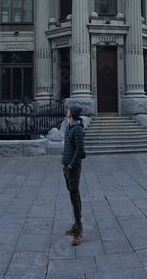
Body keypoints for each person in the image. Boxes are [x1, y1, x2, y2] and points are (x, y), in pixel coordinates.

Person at [62, 104, 85, 246]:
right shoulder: (68, 127)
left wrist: (71, 165)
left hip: (72, 168)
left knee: (75, 196)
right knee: (73, 195)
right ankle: (76, 225)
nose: (67, 111)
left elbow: (80, 149)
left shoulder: (77, 129)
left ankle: (79, 231)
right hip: (66, 166)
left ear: (73, 113)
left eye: (69, 110)